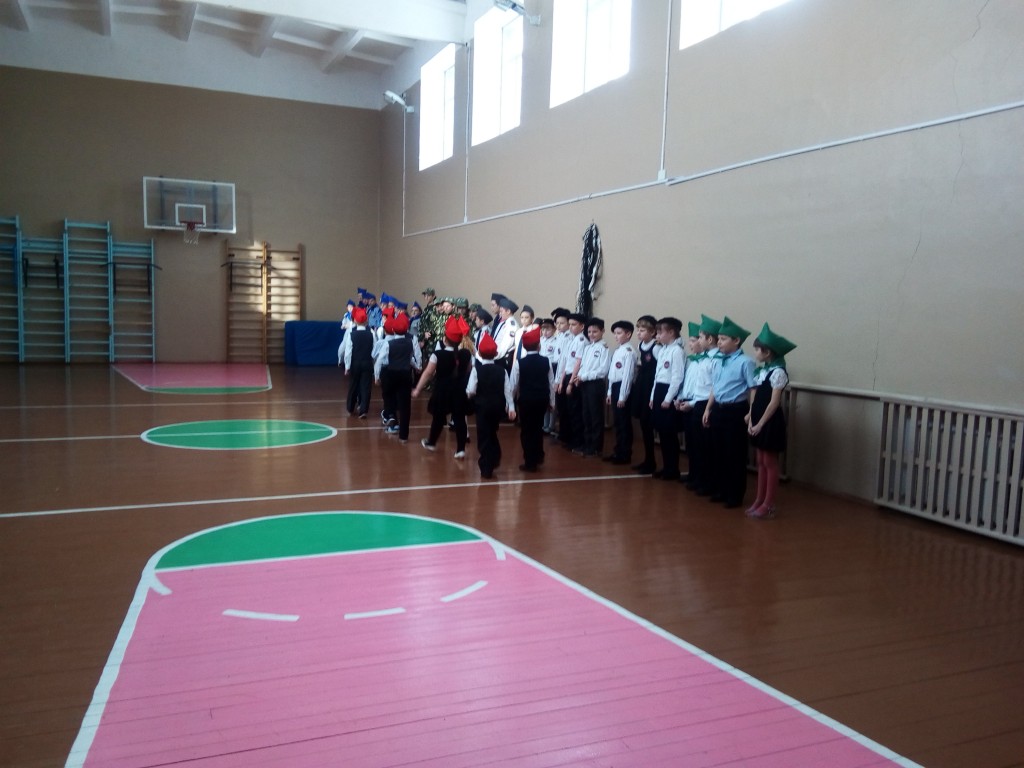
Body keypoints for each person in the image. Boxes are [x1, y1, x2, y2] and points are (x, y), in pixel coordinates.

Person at [702, 315, 756, 508]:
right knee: (718, 451)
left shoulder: (746, 362)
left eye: (723, 339)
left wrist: (751, 412)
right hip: (719, 408)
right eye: (719, 339)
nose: (719, 342)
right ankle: (721, 489)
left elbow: (753, 388)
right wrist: (708, 408)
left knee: (734, 453)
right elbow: (715, 387)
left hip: (736, 411)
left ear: (736, 340)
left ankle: (735, 494)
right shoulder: (718, 361)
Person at [746, 323, 796, 519]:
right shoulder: (762, 371)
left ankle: (768, 504)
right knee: (760, 460)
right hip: (757, 418)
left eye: (757, 349)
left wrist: (760, 424)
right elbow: (755, 398)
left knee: (769, 461)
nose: (755, 353)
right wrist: (751, 418)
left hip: (770, 421)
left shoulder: (778, 373)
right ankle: (759, 499)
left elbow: (774, 402)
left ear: (767, 352)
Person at [414, 315, 473, 458]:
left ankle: (431, 442)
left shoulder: (438, 354)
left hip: (442, 391)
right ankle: (460, 449)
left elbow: (428, 373)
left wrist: (418, 389)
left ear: (445, 339)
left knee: (438, 418)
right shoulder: (466, 354)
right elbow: (469, 370)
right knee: (460, 419)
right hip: (459, 391)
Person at [679, 315, 720, 494]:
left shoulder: (714, 359)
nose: (692, 344)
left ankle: (706, 481)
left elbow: (712, 387)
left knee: (705, 446)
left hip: (704, 404)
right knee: (693, 444)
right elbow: (693, 384)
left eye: (697, 339)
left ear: (708, 340)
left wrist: (693, 403)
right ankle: (696, 476)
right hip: (693, 402)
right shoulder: (698, 359)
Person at [466, 332, 514, 479]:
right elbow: (508, 390)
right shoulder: (502, 371)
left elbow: (471, 390)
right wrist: (511, 407)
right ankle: (494, 455)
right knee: (492, 431)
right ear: (496, 354)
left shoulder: (477, 370)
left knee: (483, 435)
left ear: (479, 353)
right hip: (497, 408)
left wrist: (468, 395)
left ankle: (487, 466)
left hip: (482, 408)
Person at [508, 325, 554, 471]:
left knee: (527, 430)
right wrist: (552, 402)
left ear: (524, 347)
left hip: (526, 400)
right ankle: (539, 455)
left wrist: (510, 403)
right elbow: (551, 383)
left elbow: (513, 385)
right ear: (539, 346)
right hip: (541, 399)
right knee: (538, 428)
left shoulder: (519, 363)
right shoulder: (546, 361)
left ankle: (530, 461)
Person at [374, 312, 421, 442]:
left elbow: (379, 360)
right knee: (405, 405)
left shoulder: (389, 344)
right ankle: (404, 436)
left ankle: (391, 419)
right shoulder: (410, 342)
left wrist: (377, 376)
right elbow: (411, 358)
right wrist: (417, 366)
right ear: (406, 330)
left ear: (393, 330)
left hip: (391, 374)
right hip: (405, 375)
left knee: (389, 398)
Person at [649, 317, 686, 481]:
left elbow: (677, 377)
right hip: (659, 390)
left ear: (671, 332)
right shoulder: (663, 349)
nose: (657, 335)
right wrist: (653, 396)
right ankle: (666, 467)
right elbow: (657, 376)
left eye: (660, 332)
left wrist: (668, 398)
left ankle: (673, 469)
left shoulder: (677, 351)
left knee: (669, 433)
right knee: (662, 433)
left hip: (668, 392)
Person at [575, 317, 611, 457]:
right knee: (586, 415)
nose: (591, 334)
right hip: (584, 383)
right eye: (589, 332)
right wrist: (579, 377)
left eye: (595, 331)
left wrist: (585, 376)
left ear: (602, 331)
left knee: (596, 416)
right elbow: (583, 366)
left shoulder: (604, 348)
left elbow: (603, 370)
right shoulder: (588, 347)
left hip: (595, 384)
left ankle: (596, 447)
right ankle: (587, 443)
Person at [604, 320, 636, 465]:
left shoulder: (629, 352)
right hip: (615, 387)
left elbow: (627, 376)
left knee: (624, 422)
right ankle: (618, 450)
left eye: (619, 333)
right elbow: (612, 374)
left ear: (628, 334)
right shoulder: (618, 351)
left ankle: (625, 453)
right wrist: (610, 392)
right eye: (615, 333)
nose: (616, 336)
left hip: (623, 389)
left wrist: (622, 396)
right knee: (617, 422)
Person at [555, 312, 587, 451]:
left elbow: (578, 363)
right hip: (567, 375)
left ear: (582, 326)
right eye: (570, 324)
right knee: (568, 410)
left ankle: (578, 441)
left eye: (574, 324)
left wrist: (570, 383)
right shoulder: (572, 339)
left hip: (574, 377)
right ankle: (569, 437)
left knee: (575, 411)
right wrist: (561, 381)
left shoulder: (582, 341)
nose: (571, 327)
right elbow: (566, 362)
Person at [632, 315, 658, 474]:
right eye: (638, 330)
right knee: (643, 424)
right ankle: (648, 459)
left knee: (648, 424)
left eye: (642, 330)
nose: (639, 333)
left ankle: (651, 462)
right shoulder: (641, 345)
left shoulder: (656, 347)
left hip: (650, 386)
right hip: (642, 385)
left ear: (653, 332)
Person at [339, 306, 374, 418]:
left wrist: (347, 367)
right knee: (366, 387)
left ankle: (350, 407)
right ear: (366, 321)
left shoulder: (352, 334)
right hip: (367, 363)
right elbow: (374, 350)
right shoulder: (371, 333)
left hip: (355, 363)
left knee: (353, 385)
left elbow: (348, 352)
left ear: (355, 321)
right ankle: (363, 410)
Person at [538, 317, 559, 434]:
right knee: (544, 397)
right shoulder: (540, 340)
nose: (545, 332)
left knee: (552, 397)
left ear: (554, 329)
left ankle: (551, 425)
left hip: (553, 370)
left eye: (548, 329)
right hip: (542, 371)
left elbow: (556, 359)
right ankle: (544, 424)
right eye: (543, 329)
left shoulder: (556, 341)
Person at [492, 296, 520, 372]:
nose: (500, 314)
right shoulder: (505, 323)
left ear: (508, 311)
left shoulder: (512, 325)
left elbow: (506, 344)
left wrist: (495, 356)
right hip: (498, 356)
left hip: (503, 359)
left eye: (501, 311)